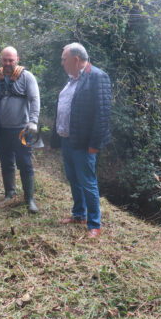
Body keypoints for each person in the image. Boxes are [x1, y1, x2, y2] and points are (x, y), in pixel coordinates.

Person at [52, 42, 111, 238]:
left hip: (85, 143)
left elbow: (102, 114)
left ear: (76, 59)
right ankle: (79, 215)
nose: (62, 63)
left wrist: (95, 145)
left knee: (87, 181)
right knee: (73, 179)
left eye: (64, 59)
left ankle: (94, 224)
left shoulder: (97, 77)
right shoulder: (72, 79)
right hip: (68, 139)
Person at [0, 46, 40, 213]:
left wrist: (33, 121)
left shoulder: (27, 77)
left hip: (22, 129)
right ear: (1, 60)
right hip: (1, 129)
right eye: (5, 60)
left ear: (17, 59)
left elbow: (35, 99)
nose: (7, 63)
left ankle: (29, 199)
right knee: (6, 162)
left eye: (11, 60)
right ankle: (9, 193)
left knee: (25, 163)